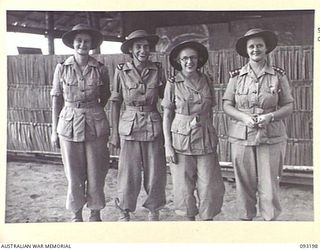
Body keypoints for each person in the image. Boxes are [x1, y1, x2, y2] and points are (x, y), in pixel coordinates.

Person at [222, 28, 294, 221]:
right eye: (251, 46)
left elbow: (288, 105)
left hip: (271, 136)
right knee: (244, 183)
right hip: (242, 136)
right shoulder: (236, 77)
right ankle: (247, 221)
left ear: (266, 48)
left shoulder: (278, 75)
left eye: (259, 45)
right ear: (246, 50)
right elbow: (227, 104)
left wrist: (270, 116)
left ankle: (269, 222)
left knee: (269, 184)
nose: (256, 49)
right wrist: (243, 117)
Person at [50, 24, 110, 222]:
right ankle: (76, 214)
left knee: (96, 171)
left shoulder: (100, 69)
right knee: (73, 173)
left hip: (95, 124)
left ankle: (95, 212)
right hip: (68, 124)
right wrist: (54, 131)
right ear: (73, 44)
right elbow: (56, 99)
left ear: (92, 44)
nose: (83, 45)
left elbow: (105, 95)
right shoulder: (62, 68)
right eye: (79, 41)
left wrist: (93, 110)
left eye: (86, 41)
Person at [162, 41, 225, 221]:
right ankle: (190, 221)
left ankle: (207, 220)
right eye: (185, 59)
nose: (190, 62)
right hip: (181, 138)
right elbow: (167, 115)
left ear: (199, 59)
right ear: (179, 61)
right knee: (183, 186)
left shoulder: (207, 80)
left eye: (193, 58)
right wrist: (168, 145)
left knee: (209, 185)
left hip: (205, 138)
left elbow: (210, 110)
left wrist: (211, 132)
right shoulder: (173, 83)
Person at [109, 30, 167, 221]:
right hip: (129, 126)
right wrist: (115, 134)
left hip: (153, 124)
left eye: (146, 47)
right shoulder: (121, 70)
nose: (143, 50)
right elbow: (115, 102)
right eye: (138, 47)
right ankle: (124, 210)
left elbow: (166, 99)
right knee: (128, 172)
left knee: (155, 171)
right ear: (131, 50)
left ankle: (154, 209)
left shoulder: (157, 69)